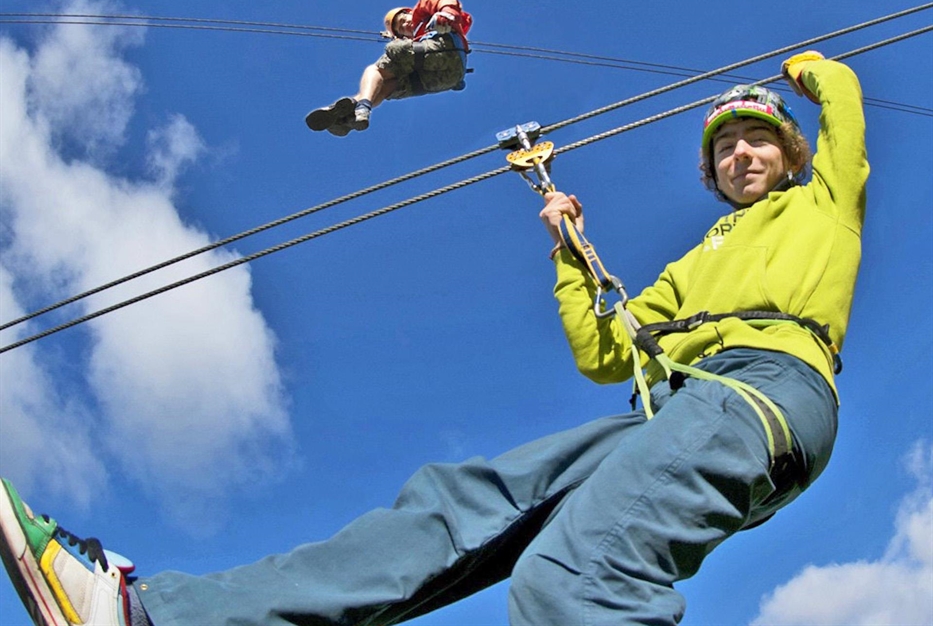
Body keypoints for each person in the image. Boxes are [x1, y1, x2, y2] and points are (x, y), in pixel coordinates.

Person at [0, 51, 867, 625]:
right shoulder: (689, 266)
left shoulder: (821, 202)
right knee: (465, 506)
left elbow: (846, 117)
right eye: (724, 146)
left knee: (579, 573)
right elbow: (606, 355)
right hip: (677, 407)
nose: (739, 154)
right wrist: (568, 253)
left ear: (791, 153)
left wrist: (810, 70)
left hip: (765, 390)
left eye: (757, 139)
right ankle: (155, 617)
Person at [305, 0, 473, 136]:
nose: (405, 24)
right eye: (401, 27)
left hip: (445, 49)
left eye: (404, 19)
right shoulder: (414, 40)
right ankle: (351, 114)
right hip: (443, 78)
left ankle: (360, 104)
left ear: (410, 12)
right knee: (389, 85)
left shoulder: (425, 15)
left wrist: (446, 14)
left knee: (380, 65)